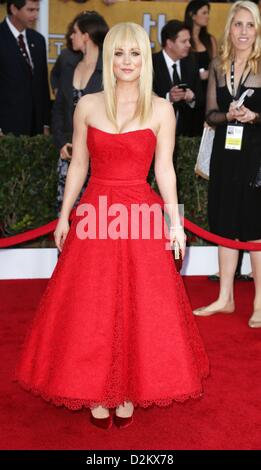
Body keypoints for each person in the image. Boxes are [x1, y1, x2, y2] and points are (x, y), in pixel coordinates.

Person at [15, 22, 209, 429]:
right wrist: (65, 214)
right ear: (108, 58)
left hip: (139, 215)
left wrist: (175, 223)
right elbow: (79, 165)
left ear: (144, 58)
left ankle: (127, 389)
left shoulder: (160, 109)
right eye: (119, 53)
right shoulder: (87, 105)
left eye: (135, 53)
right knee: (92, 307)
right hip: (94, 216)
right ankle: (95, 386)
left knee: (140, 307)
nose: (126, 61)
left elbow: (165, 171)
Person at [193, 2, 261, 328]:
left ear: (258, 29)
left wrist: (255, 116)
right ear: (229, 28)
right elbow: (209, 114)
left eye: (250, 25)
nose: (244, 32)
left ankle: (260, 302)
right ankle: (225, 297)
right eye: (238, 25)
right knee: (224, 222)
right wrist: (230, 115)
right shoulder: (219, 66)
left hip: (257, 156)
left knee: (255, 227)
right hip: (226, 152)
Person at [52, 11, 108, 215]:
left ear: (86, 36)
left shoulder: (109, 73)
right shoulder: (69, 67)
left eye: (75, 32)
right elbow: (58, 110)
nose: (71, 37)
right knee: (65, 214)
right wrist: (61, 142)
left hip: (98, 158)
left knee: (94, 219)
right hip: (68, 155)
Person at [0, 0, 50, 136]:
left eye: (37, 10)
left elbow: (42, 84)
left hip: (36, 130)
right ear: (14, 9)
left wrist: (46, 123)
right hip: (6, 129)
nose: (35, 15)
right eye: (30, 10)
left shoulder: (38, 40)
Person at [152, 20, 202, 137]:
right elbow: (144, 98)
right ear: (169, 43)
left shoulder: (191, 62)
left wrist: (192, 98)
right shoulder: (151, 63)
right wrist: (169, 97)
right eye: (184, 41)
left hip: (186, 137)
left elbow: (201, 98)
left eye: (189, 40)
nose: (189, 45)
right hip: (157, 134)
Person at [184, 0, 217, 135]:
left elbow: (217, 66)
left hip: (207, 90)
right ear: (192, 15)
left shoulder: (210, 40)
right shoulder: (185, 40)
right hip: (189, 92)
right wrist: (198, 76)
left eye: (208, 13)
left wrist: (210, 74)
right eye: (204, 13)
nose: (207, 16)